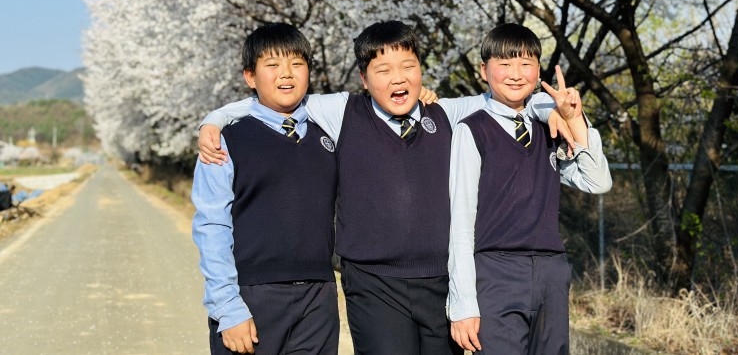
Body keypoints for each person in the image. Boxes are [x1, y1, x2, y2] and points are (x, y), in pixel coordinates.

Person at [197, 20, 562, 355]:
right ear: (363, 78)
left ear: (422, 70)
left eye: (408, 67)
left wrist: (557, 109)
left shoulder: (447, 114)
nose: (397, 79)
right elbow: (279, 101)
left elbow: (510, 96)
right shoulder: (344, 111)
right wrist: (214, 120)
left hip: (440, 281)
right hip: (372, 284)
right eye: (383, 70)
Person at [447, 23, 612, 355]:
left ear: (538, 71)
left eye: (525, 64)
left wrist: (575, 118)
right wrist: (462, 302)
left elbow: (598, 182)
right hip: (496, 271)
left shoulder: (549, 126)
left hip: (551, 271)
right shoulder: (472, 130)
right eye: (504, 64)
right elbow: (461, 223)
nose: (515, 73)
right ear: (484, 70)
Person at [191, 23, 339, 355]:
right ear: (250, 77)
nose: (286, 74)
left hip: (319, 298)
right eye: (272, 65)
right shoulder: (224, 141)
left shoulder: (327, 134)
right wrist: (228, 308)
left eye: (297, 64)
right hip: (251, 296)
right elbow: (211, 225)